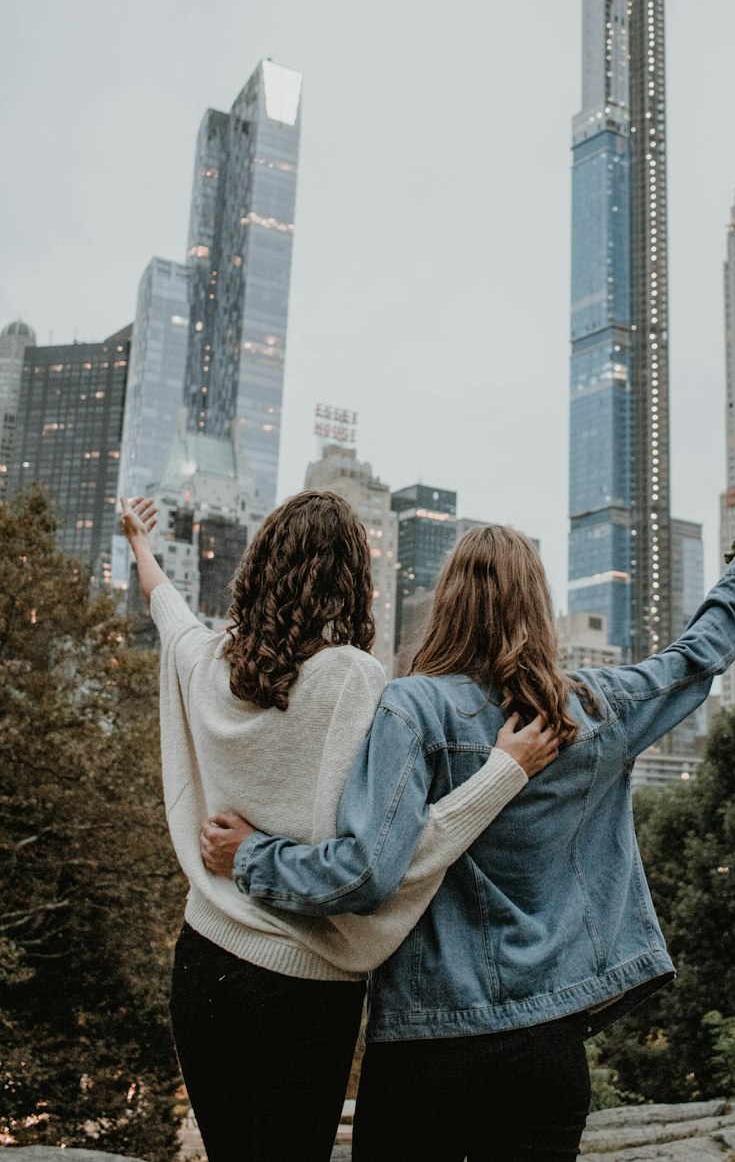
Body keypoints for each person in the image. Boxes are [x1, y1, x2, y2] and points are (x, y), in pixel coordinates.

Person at [200, 485, 735, 1161]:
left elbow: (362, 871)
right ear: (539, 605)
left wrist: (252, 856)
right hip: (549, 1043)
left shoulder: (408, 709)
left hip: (426, 1045)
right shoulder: (592, 708)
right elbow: (694, 659)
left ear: (446, 602)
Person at [119, 491, 556, 1162]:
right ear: (353, 579)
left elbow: (167, 608)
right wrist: (502, 773)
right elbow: (389, 856)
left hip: (202, 965)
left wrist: (140, 545)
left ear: (259, 565)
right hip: (302, 989)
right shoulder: (354, 678)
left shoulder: (208, 663)